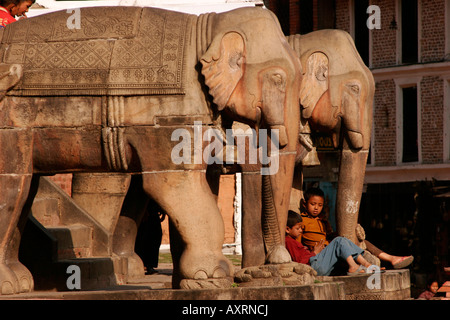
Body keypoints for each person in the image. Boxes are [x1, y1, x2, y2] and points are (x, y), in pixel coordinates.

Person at [300, 187, 414, 269]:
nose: (316, 208)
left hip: (332, 252)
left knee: (358, 241)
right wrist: (311, 253)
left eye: (320, 205)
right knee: (340, 241)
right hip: (319, 258)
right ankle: (362, 265)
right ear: (305, 204)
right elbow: (297, 245)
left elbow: (330, 235)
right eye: (313, 204)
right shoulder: (302, 221)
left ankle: (390, 258)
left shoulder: (323, 221)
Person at [285, 210, 379, 276]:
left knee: (343, 240)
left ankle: (367, 264)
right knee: (339, 241)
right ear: (287, 229)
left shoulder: (292, 241)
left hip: (317, 264)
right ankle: (353, 266)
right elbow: (300, 261)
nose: (301, 230)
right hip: (314, 266)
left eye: (301, 228)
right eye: (298, 228)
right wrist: (314, 253)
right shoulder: (289, 241)